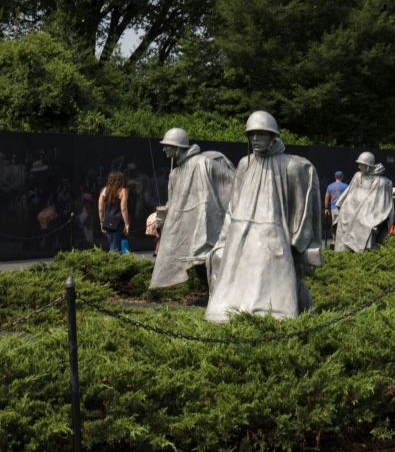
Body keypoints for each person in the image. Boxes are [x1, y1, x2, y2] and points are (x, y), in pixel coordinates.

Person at [205, 111, 321, 322]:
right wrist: (224, 239)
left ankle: (279, 314)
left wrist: (297, 243)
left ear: (272, 135)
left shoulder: (291, 166)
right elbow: (234, 204)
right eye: (252, 134)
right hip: (241, 235)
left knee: (275, 295)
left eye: (261, 134)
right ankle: (233, 313)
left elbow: (301, 209)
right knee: (231, 288)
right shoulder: (244, 164)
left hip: (274, 237)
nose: (255, 139)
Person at [149, 128, 234, 290]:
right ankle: (210, 293)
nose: (164, 149)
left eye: (168, 145)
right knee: (195, 264)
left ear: (179, 147)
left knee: (207, 260)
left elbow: (231, 184)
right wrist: (163, 215)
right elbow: (173, 201)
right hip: (186, 225)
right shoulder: (174, 174)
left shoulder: (202, 162)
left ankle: (217, 294)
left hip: (207, 225)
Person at [334, 151, 394, 252]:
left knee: (365, 223)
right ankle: (342, 252)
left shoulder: (382, 182)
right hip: (351, 208)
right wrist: (343, 205)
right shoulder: (357, 176)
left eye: (361, 164)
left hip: (369, 212)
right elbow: (349, 192)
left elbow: (381, 203)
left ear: (368, 166)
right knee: (343, 216)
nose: (358, 167)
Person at [98, 170, 130, 253]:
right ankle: (113, 263)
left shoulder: (104, 190)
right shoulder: (123, 191)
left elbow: (100, 209)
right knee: (115, 247)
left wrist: (101, 222)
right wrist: (126, 224)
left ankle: (112, 262)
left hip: (107, 221)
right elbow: (123, 208)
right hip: (118, 222)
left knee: (112, 244)